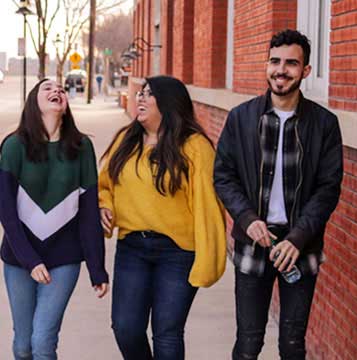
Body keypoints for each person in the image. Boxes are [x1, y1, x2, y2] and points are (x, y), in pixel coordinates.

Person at [214, 29, 343, 360]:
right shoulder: (241, 118)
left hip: (301, 245)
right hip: (253, 241)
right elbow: (224, 176)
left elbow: (328, 189)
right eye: (275, 61)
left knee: (292, 345)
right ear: (266, 64)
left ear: (306, 71)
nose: (281, 70)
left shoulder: (324, 123)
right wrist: (246, 219)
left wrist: (297, 238)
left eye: (291, 63)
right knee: (248, 343)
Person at [99, 75, 226, 360]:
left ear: (168, 103)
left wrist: (208, 261)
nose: (139, 98)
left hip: (178, 253)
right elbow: (105, 185)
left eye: (149, 94)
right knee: (126, 329)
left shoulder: (195, 148)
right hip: (132, 248)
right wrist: (104, 206)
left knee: (167, 334)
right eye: (140, 93)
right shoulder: (125, 140)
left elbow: (209, 208)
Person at [0, 79, 109, 359]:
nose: (56, 91)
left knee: (43, 341)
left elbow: (87, 212)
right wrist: (30, 260)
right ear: (33, 102)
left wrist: (97, 267)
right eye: (47, 88)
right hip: (20, 258)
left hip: (64, 258)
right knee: (23, 346)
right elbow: (7, 212)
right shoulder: (13, 146)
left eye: (61, 89)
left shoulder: (81, 147)